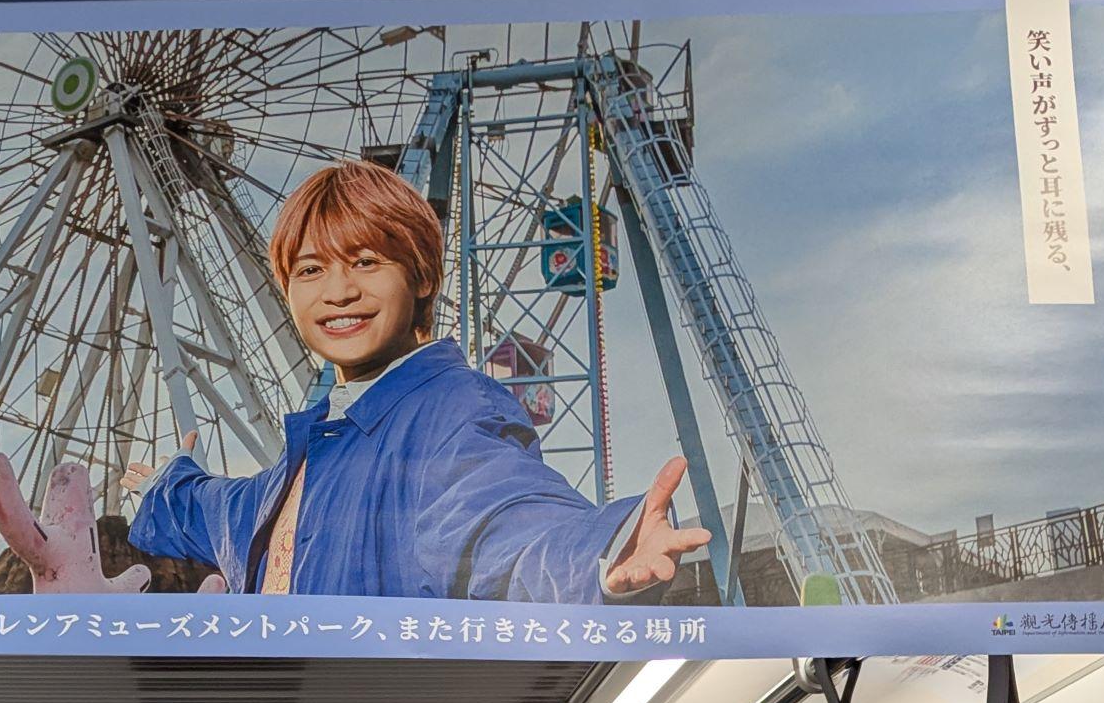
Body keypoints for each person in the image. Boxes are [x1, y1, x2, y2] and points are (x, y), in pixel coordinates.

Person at [110, 158, 704, 600]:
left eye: (366, 262)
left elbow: (503, 518)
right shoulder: (308, 457)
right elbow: (220, 510)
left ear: (422, 277)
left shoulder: (451, 411)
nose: (339, 291)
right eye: (310, 270)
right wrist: (169, 485)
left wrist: (602, 551)